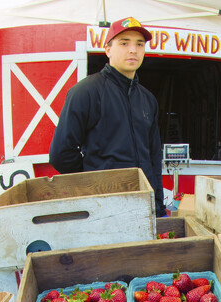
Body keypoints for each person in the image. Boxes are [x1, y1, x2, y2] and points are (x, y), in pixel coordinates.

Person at [49, 17, 167, 215]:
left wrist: (158, 203)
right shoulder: (85, 92)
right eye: (124, 43)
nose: (133, 50)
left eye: (139, 44)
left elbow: (154, 156)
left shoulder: (148, 99)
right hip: (102, 208)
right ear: (108, 50)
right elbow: (60, 154)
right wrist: (92, 182)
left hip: (142, 207)